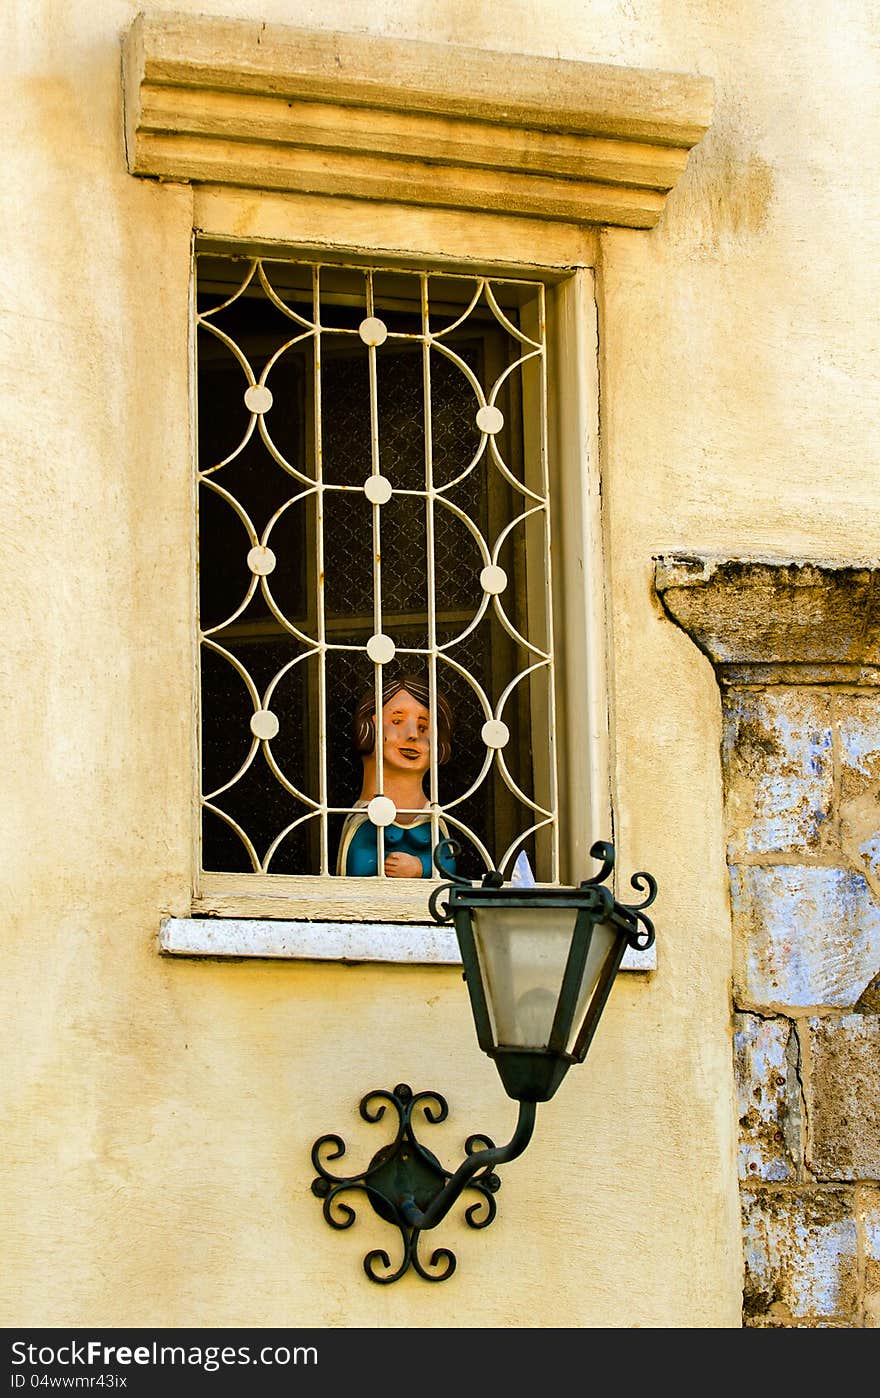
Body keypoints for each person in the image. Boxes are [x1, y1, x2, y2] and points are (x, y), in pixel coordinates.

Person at [336, 675, 453, 877]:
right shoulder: (363, 818)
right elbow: (356, 869)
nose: (413, 735)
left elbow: (448, 864)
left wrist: (420, 867)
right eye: (397, 721)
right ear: (369, 726)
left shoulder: (432, 816)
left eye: (423, 727)